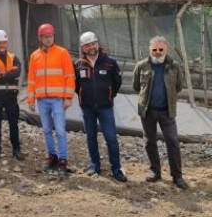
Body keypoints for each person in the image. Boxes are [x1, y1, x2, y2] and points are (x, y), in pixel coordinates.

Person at [133, 36, 189, 190]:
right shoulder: (141, 66)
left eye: (160, 49)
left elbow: (178, 86)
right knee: (150, 142)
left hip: (167, 111)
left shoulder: (174, 66)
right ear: (150, 50)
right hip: (148, 111)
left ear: (166, 49)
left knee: (172, 141)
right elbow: (136, 86)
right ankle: (155, 172)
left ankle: (177, 176)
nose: (157, 52)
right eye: (154, 50)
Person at [74, 31, 127, 182]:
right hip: (87, 108)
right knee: (91, 137)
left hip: (106, 107)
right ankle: (94, 165)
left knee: (111, 138)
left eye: (93, 43)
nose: (91, 47)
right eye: (87, 45)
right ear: (83, 48)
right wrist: (84, 95)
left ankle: (116, 169)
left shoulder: (110, 62)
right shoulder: (78, 65)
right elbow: (76, 86)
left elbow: (117, 83)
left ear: (97, 44)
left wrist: (110, 95)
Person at [27, 23, 75, 174]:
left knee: (60, 130)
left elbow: (69, 76)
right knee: (47, 130)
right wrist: (31, 99)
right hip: (42, 100)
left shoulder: (62, 53)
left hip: (57, 100)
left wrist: (68, 97)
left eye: (50, 36)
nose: (48, 39)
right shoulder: (34, 56)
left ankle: (63, 160)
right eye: (45, 37)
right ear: (40, 38)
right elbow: (31, 80)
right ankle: (52, 157)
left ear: (54, 36)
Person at [0, 30, 24, 161]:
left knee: (14, 123)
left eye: (3, 42)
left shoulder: (14, 58)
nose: (2, 45)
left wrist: (1, 74)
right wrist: (9, 72)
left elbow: (17, 73)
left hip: (11, 96)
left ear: (7, 42)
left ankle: (16, 149)